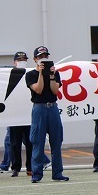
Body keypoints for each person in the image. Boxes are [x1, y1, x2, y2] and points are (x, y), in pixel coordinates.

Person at [25, 46, 69, 182]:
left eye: (45, 56)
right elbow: (38, 89)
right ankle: (36, 174)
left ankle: (57, 173)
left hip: (53, 108)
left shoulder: (54, 73)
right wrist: (40, 73)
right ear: (35, 59)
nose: (43, 59)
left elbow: (55, 90)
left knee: (56, 140)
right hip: (39, 109)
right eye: (40, 57)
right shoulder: (30, 75)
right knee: (38, 141)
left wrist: (51, 76)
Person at [8, 51, 33, 177]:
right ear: (14, 62)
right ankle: (15, 168)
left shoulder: (31, 73)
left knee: (30, 142)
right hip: (14, 115)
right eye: (19, 59)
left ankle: (30, 167)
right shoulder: (9, 75)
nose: (22, 61)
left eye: (24, 59)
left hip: (28, 114)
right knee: (15, 143)